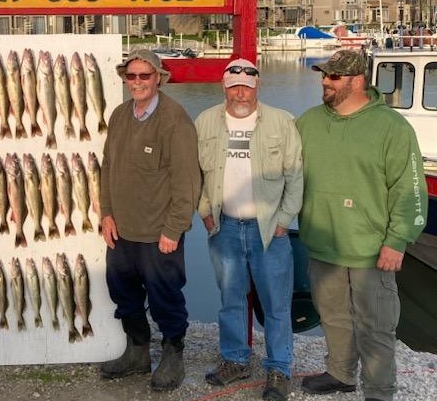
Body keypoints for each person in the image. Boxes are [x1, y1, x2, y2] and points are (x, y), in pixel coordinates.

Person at [296, 49, 427, 401]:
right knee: (333, 316)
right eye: (323, 75)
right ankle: (341, 373)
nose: (325, 81)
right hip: (323, 244)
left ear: (357, 81)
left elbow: (410, 189)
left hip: (372, 249)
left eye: (333, 77)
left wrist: (397, 240)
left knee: (377, 326)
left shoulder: (392, 127)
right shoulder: (307, 122)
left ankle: (380, 391)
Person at [196, 59, 303, 401]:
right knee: (231, 299)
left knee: (276, 304)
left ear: (258, 87)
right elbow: (194, 174)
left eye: (247, 86)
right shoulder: (205, 121)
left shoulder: (282, 122)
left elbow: (295, 175)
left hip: (269, 229)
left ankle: (279, 369)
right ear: (223, 87)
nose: (240, 93)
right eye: (233, 86)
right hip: (224, 226)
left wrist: (285, 220)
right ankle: (235, 360)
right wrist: (204, 214)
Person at [99, 49, 201, 391]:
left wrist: (174, 229)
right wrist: (106, 213)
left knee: (165, 295)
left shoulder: (175, 118)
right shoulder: (119, 115)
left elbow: (187, 181)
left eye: (145, 75)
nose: (138, 82)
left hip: (160, 232)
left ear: (158, 78)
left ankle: (173, 355)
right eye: (132, 76)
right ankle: (138, 352)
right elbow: (108, 168)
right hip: (122, 229)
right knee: (122, 292)